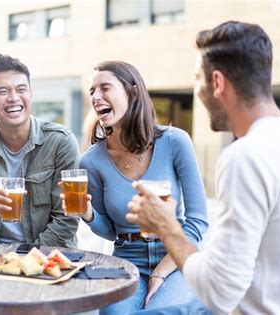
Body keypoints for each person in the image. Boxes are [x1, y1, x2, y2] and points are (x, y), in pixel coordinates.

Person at [127, 21, 280, 314]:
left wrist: (167, 228)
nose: (197, 90)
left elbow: (219, 294)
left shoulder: (245, 157)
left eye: (198, 79)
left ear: (217, 82)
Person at [67, 60, 208, 314]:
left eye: (105, 88)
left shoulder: (175, 142)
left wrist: (161, 273)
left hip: (176, 257)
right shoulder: (91, 160)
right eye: (92, 92)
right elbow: (110, 231)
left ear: (132, 91)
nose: (96, 97)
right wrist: (88, 214)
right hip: (126, 260)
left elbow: (198, 221)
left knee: (166, 311)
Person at [0, 54, 79, 247]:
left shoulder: (60, 141)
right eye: (2, 91)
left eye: (21, 89)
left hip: (50, 253)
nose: (13, 98)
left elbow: (68, 219)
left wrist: (26, 257)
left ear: (30, 94)